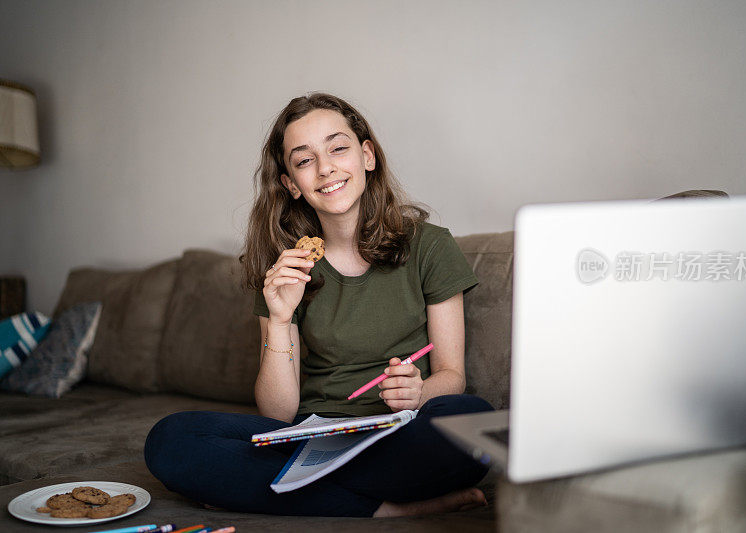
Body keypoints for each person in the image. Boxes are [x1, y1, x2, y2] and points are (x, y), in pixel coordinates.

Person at [145, 92, 494, 517]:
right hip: (311, 437)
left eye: (338, 147)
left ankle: (271, 491)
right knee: (171, 439)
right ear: (291, 183)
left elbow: (452, 377)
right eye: (304, 160)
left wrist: (420, 391)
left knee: (470, 417)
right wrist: (278, 318)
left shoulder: (431, 246)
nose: (326, 167)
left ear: (367, 156)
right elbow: (277, 413)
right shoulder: (286, 268)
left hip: (399, 431)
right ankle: (387, 508)